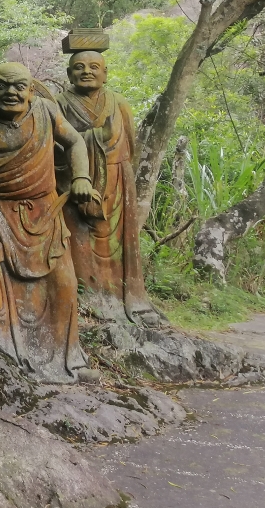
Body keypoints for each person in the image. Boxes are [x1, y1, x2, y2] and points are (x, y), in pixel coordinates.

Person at [0, 31, 96, 383]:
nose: (11, 92)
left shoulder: (45, 110)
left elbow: (74, 142)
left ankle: (70, 356)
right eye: (3, 86)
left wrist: (82, 178)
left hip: (42, 212)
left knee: (64, 282)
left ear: (30, 90)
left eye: (19, 86)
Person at [58, 51, 164, 325]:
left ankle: (123, 295)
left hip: (118, 180)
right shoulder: (59, 104)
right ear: (69, 74)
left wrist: (125, 177)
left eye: (95, 67)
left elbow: (131, 144)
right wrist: (96, 138)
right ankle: (87, 297)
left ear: (106, 73)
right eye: (79, 67)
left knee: (120, 244)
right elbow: (55, 147)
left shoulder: (119, 103)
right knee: (78, 241)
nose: (87, 72)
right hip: (75, 183)